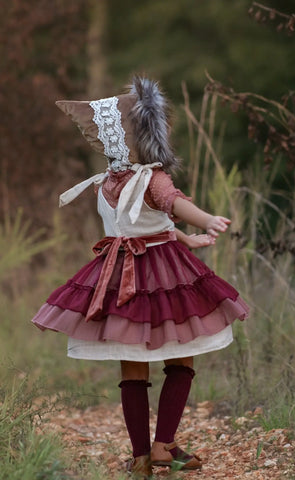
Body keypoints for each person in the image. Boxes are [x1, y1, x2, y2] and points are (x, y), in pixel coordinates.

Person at [32, 77, 249, 480]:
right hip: (162, 272)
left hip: (119, 275)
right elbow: (172, 205)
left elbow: (152, 218)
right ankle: (163, 445)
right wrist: (205, 220)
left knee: (132, 364)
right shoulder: (150, 177)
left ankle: (141, 456)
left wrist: (191, 232)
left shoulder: (108, 180)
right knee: (180, 352)